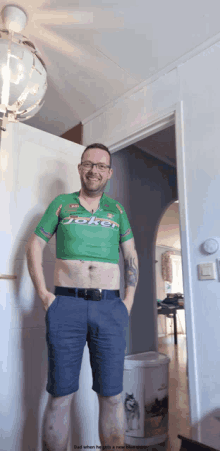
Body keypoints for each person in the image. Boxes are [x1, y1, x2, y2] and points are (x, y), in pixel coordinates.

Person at [26, 143, 139, 451]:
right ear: (79, 168)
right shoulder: (62, 203)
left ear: (109, 173)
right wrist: (44, 296)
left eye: (101, 166)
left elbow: (130, 254)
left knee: (113, 396)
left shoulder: (117, 210)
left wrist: (127, 301)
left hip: (110, 307)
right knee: (60, 395)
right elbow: (34, 246)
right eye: (88, 164)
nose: (94, 170)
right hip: (66, 306)